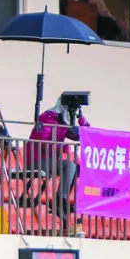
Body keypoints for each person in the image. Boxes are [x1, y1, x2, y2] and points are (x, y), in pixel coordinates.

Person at [25, 94, 90, 222]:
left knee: (78, 169)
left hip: (51, 160)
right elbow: (43, 140)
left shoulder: (63, 121)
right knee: (69, 166)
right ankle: (60, 200)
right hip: (37, 160)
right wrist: (61, 146)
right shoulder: (48, 117)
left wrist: (82, 120)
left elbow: (83, 136)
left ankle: (67, 202)